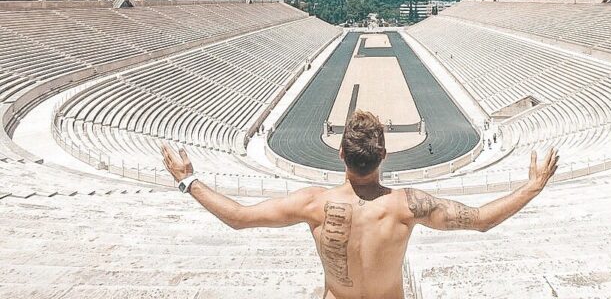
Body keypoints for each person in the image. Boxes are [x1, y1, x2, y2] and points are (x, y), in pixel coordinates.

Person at [161, 110, 559, 299]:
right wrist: (533, 186)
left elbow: (239, 218)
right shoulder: (407, 205)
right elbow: (481, 220)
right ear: (383, 155)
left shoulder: (313, 204)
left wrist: (188, 180)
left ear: (340, 154)